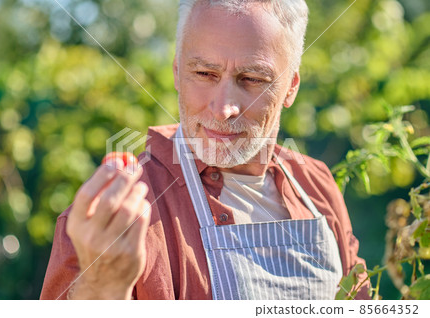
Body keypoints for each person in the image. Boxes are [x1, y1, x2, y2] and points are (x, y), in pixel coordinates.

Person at [40, 0, 370, 300]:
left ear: (291, 87)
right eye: (204, 73)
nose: (223, 108)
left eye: (252, 79)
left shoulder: (316, 185)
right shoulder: (109, 221)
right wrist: (101, 288)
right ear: (177, 72)